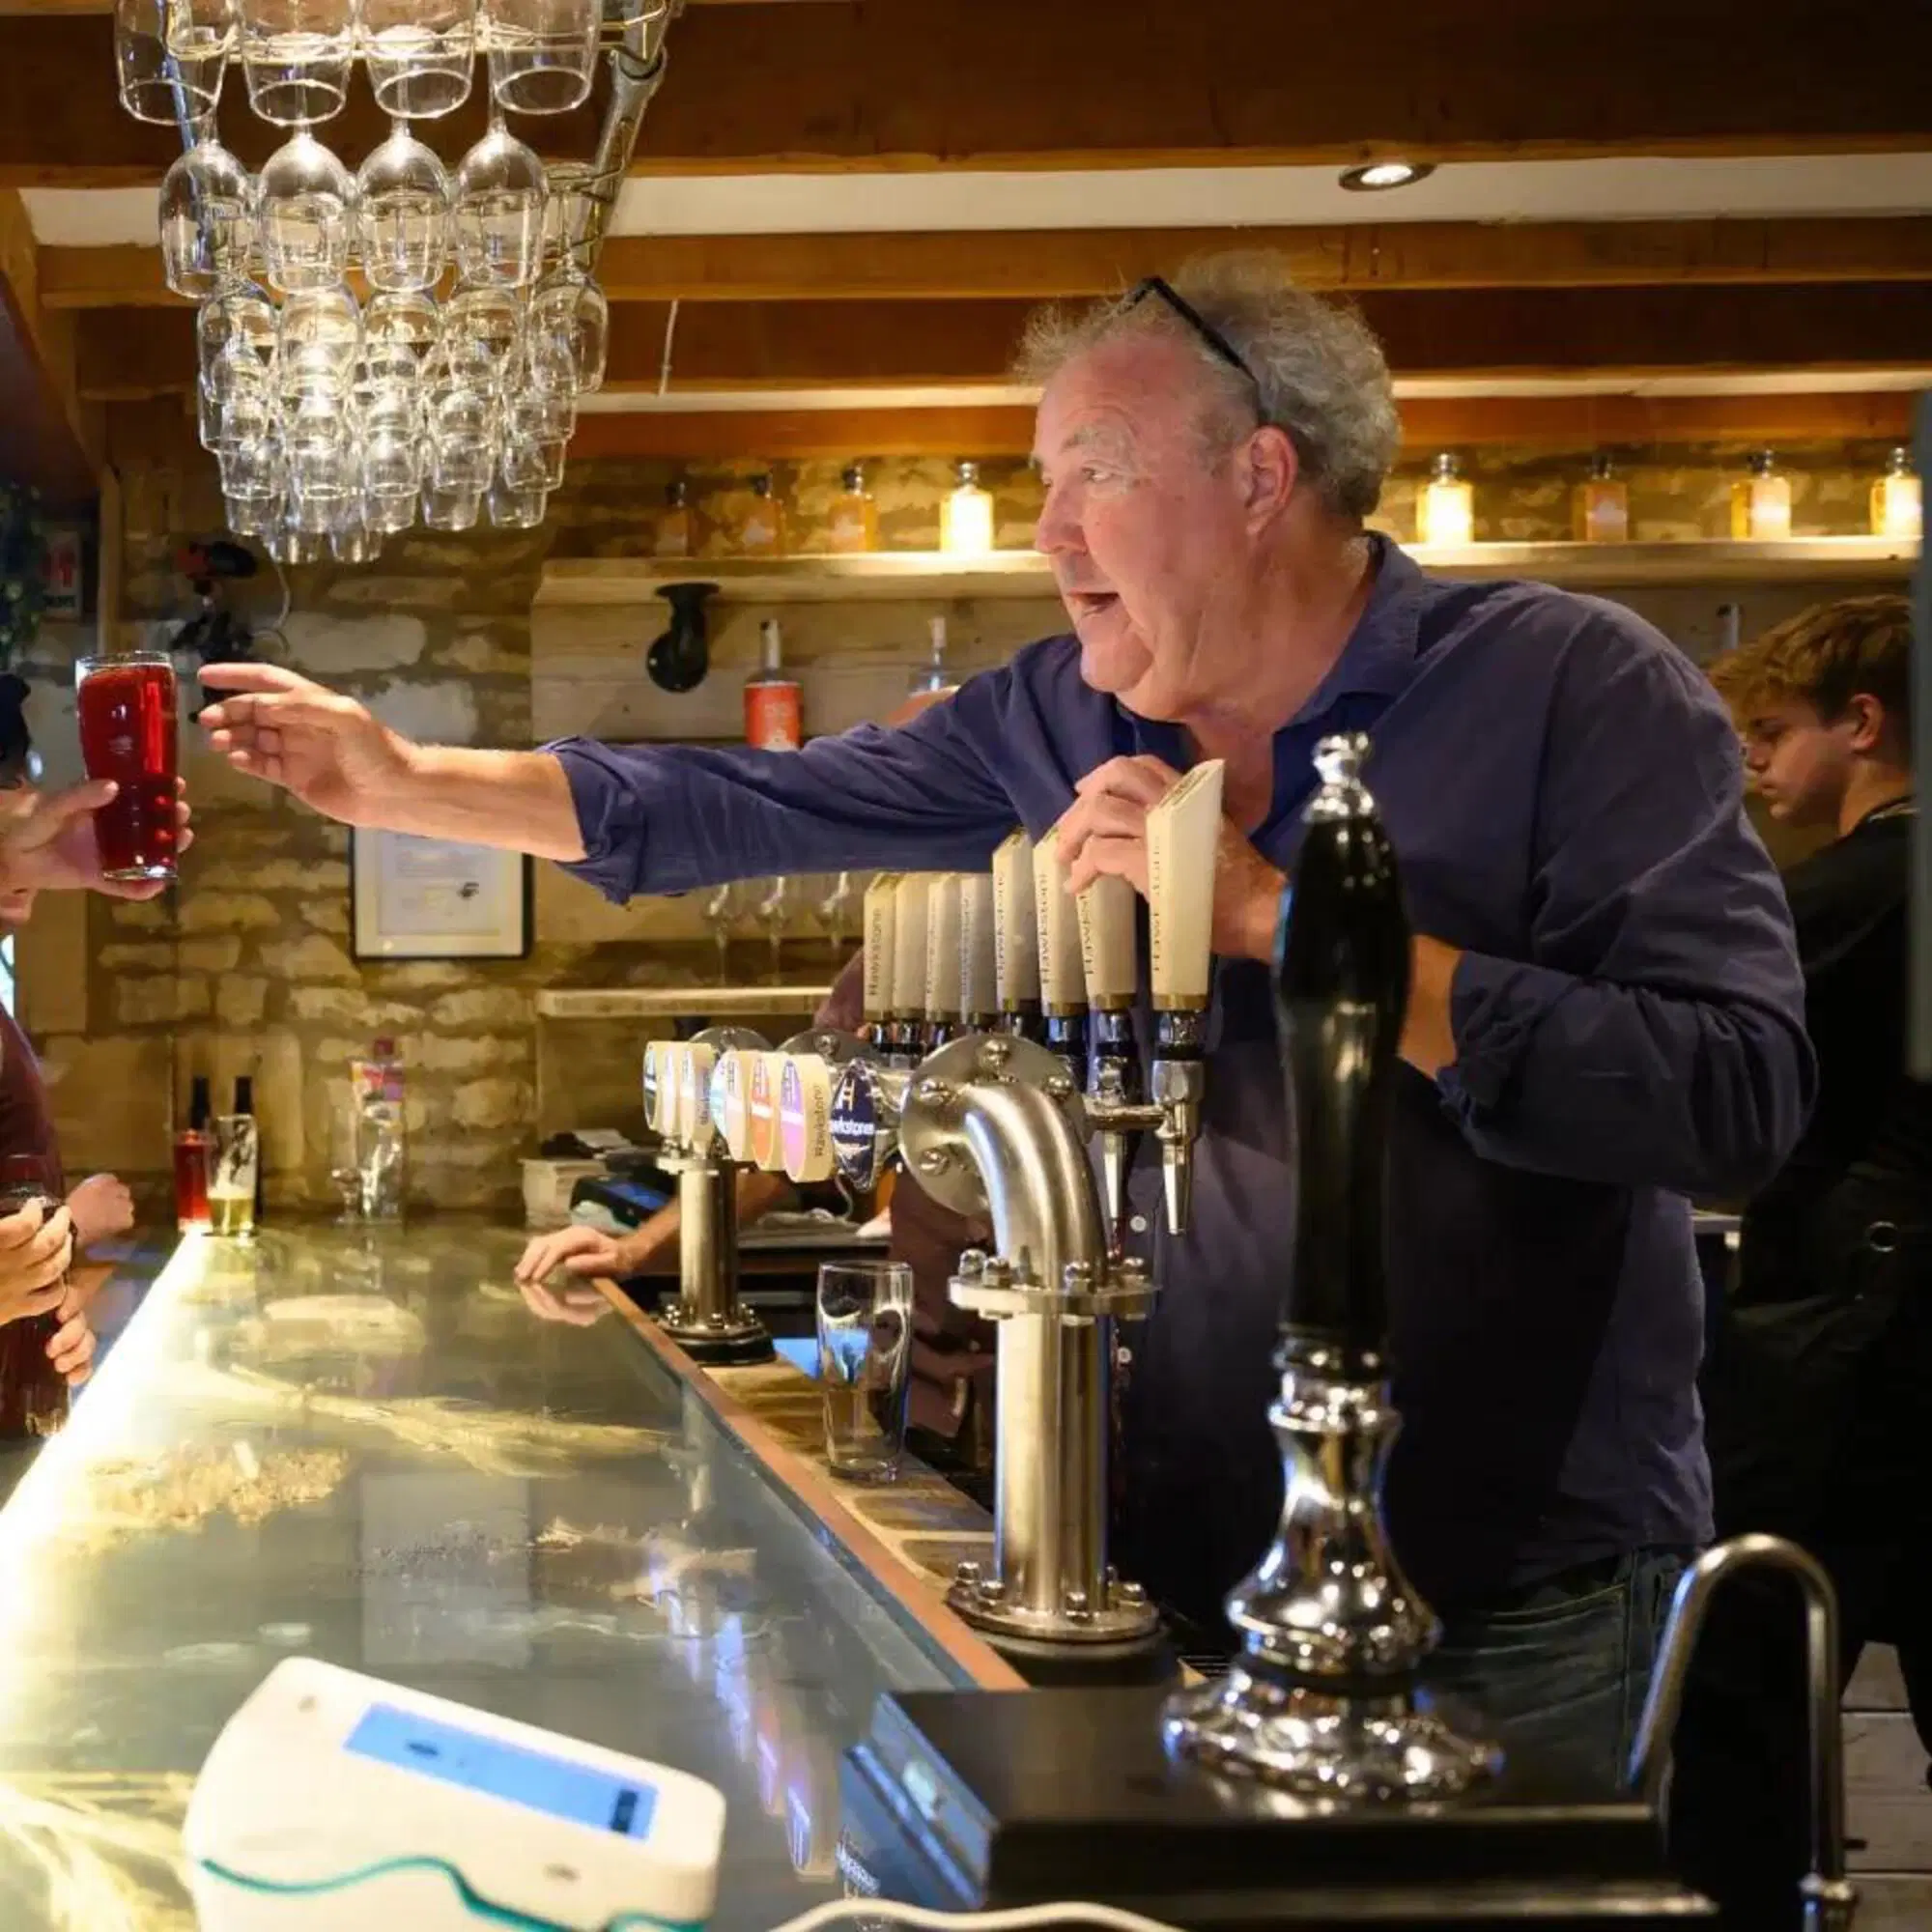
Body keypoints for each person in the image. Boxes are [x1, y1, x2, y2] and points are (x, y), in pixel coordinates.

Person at [198, 251, 1812, 1777]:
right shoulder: (1062, 709)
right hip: (1158, 1561)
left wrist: (1286, 921)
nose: (1048, 532)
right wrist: (406, 782)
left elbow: (1733, 1096)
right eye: (1042, 481)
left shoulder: (1567, 685)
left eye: (1091, 473)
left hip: (1504, 1595)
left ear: (1261, 476)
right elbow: (750, 804)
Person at [512, 688, 997, 1473]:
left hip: (1082, 1396)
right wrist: (634, 1251)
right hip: (931, 1400)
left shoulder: (1098, 954)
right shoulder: (881, 971)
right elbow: (790, 1152)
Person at [1670, 595, 1928, 1926]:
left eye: (1770, 732)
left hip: (1851, 1336)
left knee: (1744, 1685)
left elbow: (1706, 1079)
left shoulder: (1852, 890)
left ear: (1862, 723)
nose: (1755, 765)